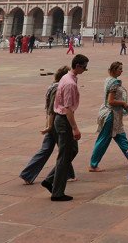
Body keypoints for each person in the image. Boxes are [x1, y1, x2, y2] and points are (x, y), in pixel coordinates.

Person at [40, 55, 89, 201]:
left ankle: (50, 180)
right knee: (64, 156)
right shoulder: (69, 83)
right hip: (63, 120)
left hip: (62, 119)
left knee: (72, 151)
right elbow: (67, 108)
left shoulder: (68, 77)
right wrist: (75, 128)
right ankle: (57, 192)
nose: (86, 70)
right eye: (85, 67)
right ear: (78, 66)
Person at [19, 66, 78, 184]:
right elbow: (52, 109)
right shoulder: (57, 89)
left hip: (52, 123)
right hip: (56, 123)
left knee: (56, 149)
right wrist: (50, 126)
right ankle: (28, 173)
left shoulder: (53, 86)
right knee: (65, 149)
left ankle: (28, 174)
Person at [89, 61, 128, 172]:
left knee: (120, 135)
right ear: (114, 70)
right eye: (120, 69)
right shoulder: (114, 82)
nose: (121, 71)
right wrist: (123, 103)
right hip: (110, 114)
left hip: (114, 114)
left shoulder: (108, 79)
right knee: (104, 139)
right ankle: (93, 164)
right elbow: (111, 101)